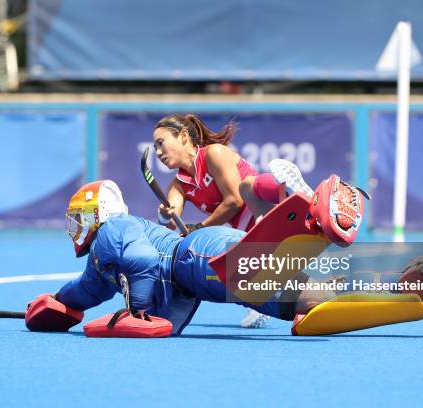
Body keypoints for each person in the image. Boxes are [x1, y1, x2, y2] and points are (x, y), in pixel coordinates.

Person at [24, 180, 423, 337]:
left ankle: (313, 219)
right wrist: (60, 304)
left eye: (78, 219)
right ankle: (413, 281)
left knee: (251, 277)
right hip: (202, 267)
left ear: (96, 215)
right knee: (304, 302)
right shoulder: (102, 257)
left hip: (197, 258)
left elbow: (140, 261)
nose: (75, 229)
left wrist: (138, 310)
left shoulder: (113, 233)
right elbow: (88, 289)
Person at [151, 113, 358, 327]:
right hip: (251, 236)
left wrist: (200, 227)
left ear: (183, 136)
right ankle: (326, 287)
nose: (158, 152)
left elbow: (234, 202)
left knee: (247, 185)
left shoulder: (213, 154)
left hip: (262, 208)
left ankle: (287, 192)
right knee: (270, 280)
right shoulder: (178, 185)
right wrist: (164, 214)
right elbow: (172, 219)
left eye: (161, 143)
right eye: (155, 147)